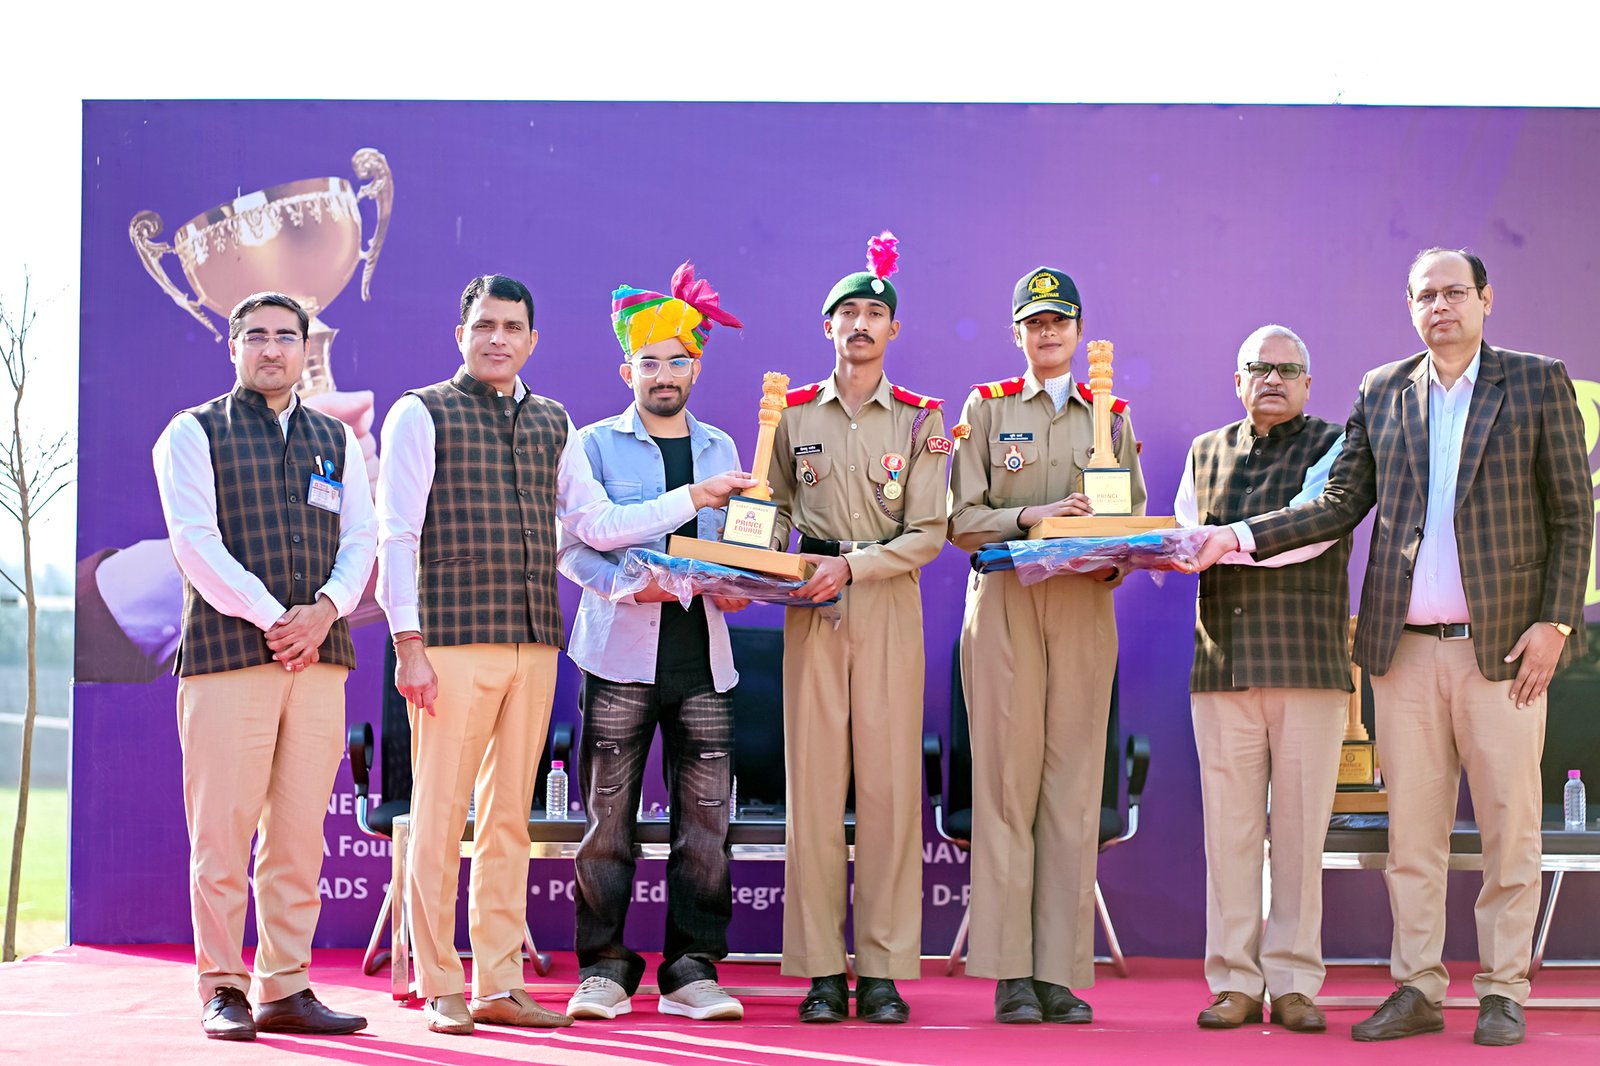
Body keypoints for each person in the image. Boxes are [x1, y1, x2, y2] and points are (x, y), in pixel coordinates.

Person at [1192, 249, 1592, 1046]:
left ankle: (1502, 990)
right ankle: (1418, 987)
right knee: (1413, 838)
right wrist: (1237, 536)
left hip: (1504, 651)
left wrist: (1555, 623)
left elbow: (1573, 514)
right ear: (1409, 307)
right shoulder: (1383, 391)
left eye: (1454, 292)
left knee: (1510, 830)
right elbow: (1339, 501)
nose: (1440, 306)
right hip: (1402, 652)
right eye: (1425, 295)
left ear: (1485, 299)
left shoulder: (1536, 381)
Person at [375, 274, 754, 1036]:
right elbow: (396, 535)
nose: (498, 339)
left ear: (533, 341)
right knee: (442, 817)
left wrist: (699, 507)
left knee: (508, 823)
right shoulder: (420, 412)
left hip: (534, 643)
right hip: (451, 643)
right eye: (485, 325)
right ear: (460, 334)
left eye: (513, 327)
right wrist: (407, 642)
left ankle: (498, 982)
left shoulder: (553, 420)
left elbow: (598, 523)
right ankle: (441, 982)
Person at [152, 291, 376, 1041]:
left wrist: (325, 610)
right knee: (222, 834)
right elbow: (194, 542)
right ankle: (223, 986)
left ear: (306, 349)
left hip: (320, 658)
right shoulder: (192, 432)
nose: (272, 348)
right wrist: (276, 617)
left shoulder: (337, 440)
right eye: (256, 336)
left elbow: (362, 540)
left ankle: (287, 987)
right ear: (233, 346)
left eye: (286, 336)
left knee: (300, 837)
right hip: (227, 658)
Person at [946, 266, 1145, 1024]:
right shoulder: (987, 407)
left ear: (1079, 329)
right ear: (1018, 335)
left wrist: (1115, 554)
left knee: (1072, 789)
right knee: (1006, 786)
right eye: (1035, 322)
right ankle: (1008, 971)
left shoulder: (1112, 415)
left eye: (1059, 320)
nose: (1048, 332)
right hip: (1006, 601)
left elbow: (1132, 521)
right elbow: (960, 519)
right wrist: (1035, 517)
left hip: (1084, 606)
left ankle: (1059, 971)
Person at [557, 262, 750, 1022]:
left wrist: (745, 582)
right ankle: (603, 969)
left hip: (705, 664)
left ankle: (692, 970)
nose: (664, 375)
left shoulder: (724, 448)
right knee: (606, 824)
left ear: (696, 367)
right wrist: (623, 587)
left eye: (677, 361)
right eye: (650, 362)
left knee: (705, 829)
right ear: (627, 370)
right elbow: (571, 547)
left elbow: (738, 550)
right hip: (617, 661)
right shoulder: (592, 446)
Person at [769, 232, 951, 1024]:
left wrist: (855, 567)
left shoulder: (919, 417)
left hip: (885, 605)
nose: (861, 324)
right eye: (847, 313)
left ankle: (881, 970)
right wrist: (769, 560)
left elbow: (930, 532)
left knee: (887, 792)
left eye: (874, 314)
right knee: (813, 794)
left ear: (893, 330)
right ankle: (819, 970)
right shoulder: (792, 415)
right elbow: (772, 510)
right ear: (828, 327)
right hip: (810, 608)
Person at [1174, 324, 1350, 1033]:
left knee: (1301, 837)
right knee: (1230, 836)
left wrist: (1230, 541)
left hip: (1307, 664)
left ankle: (1296, 982)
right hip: (1221, 664)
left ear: (1308, 383)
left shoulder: (1338, 442)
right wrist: (1209, 545)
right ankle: (1235, 983)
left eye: (1286, 369)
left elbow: (1314, 527)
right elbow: (1188, 538)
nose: (1272, 379)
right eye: (1258, 368)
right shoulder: (1204, 450)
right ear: (1237, 381)